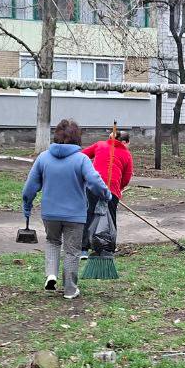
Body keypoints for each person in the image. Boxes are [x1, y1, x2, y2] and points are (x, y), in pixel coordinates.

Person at [22, 119, 110, 300]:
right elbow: (94, 181)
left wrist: (27, 205)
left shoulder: (43, 158)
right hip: (75, 215)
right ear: (77, 138)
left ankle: (51, 275)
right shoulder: (81, 159)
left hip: (50, 213)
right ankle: (70, 289)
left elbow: (30, 187)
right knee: (72, 250)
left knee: (52, 242)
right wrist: (106, 194)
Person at [80, 130, 134, 258]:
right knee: (110, 218)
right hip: (112, 189)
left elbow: (82, 156)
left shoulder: (100, 145)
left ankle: (83, 249)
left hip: (93, 185)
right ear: (125, 142)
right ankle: (108, 248)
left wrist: (87, 173)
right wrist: (118, 189)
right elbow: (126, 177)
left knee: (90, 214)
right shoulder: (127, 154)